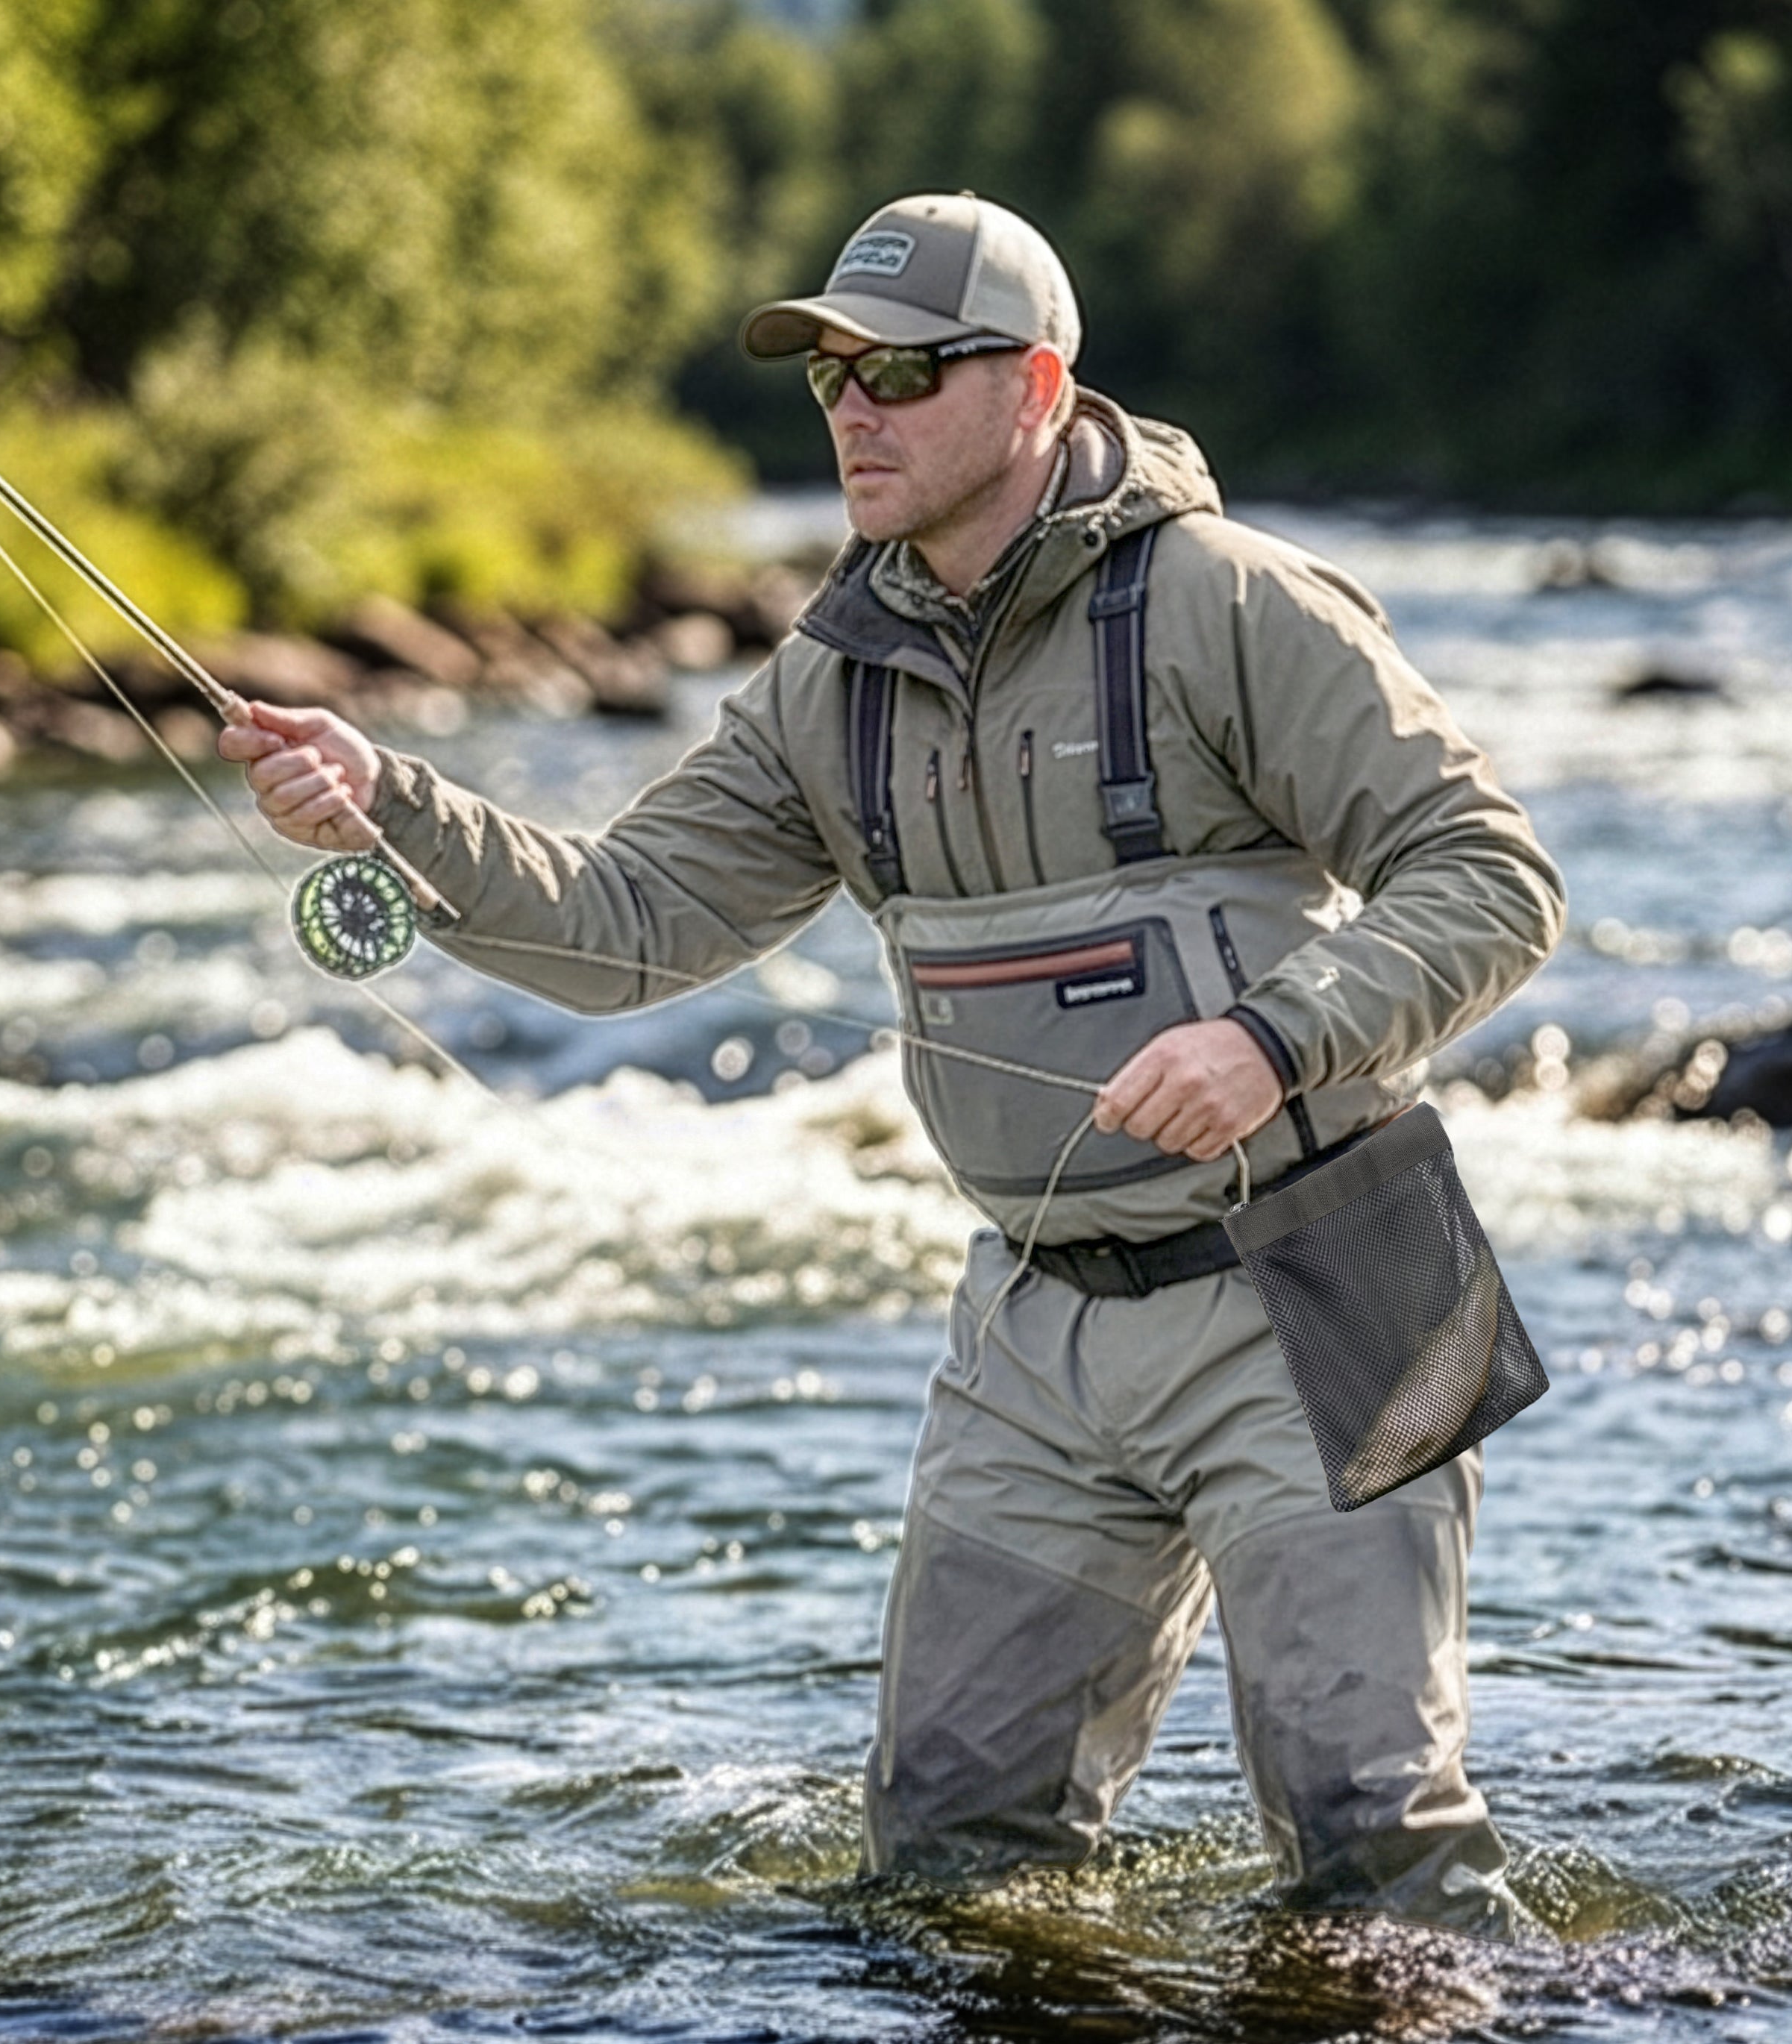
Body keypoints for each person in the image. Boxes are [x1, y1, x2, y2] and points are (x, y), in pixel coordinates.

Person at [219, 193, 1563, 1934]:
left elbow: (1489, 871)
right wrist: (393, 807)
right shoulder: (829, 682)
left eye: (903, 373)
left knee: (1364, 1844)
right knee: (947, 1859)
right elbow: (622, 925)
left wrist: (1268, 1038)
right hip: (1033, 1331)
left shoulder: (1228, 604)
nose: (853, 410)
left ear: (1037, 386)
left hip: (1322, 1283)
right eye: (831, 378)